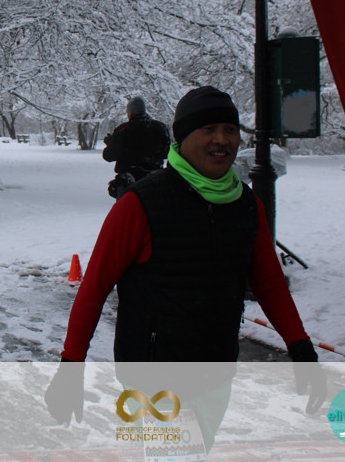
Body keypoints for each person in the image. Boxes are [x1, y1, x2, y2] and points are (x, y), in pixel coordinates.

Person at [45, 87, 325, 447]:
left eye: (230, 129)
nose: (222, 140)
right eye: (208, 129)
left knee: (198, 449)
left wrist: (301, 348)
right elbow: (95, 286)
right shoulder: (139, 205)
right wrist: (71, 367)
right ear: (183, 137)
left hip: (217, 370)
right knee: (178, 452)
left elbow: (269, 284)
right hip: (155, 374)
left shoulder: (245, 205)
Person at [102, 96, 170, 199]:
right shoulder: (160, 128)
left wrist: (112, 144)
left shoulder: (123, 130)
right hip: (155, 181)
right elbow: (167, 153)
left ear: (131, 112)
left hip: (129, 182)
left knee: (128, 208)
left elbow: (109, 156)